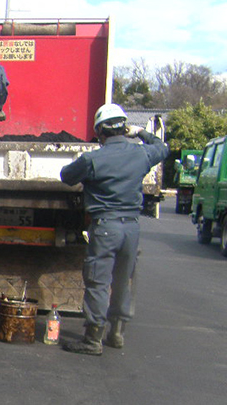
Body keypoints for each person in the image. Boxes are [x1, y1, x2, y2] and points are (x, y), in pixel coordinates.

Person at [59, 103, 168, 356]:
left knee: (98, 281)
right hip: (131, 228)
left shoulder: (93, 159)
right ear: (124, 128)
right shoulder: (141, 154)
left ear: (100, 132)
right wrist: (140, 132)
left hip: (105, 227)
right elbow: (163, 148)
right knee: (123, 280)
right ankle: (117, 333)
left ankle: (93, 339)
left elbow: (67, 176)